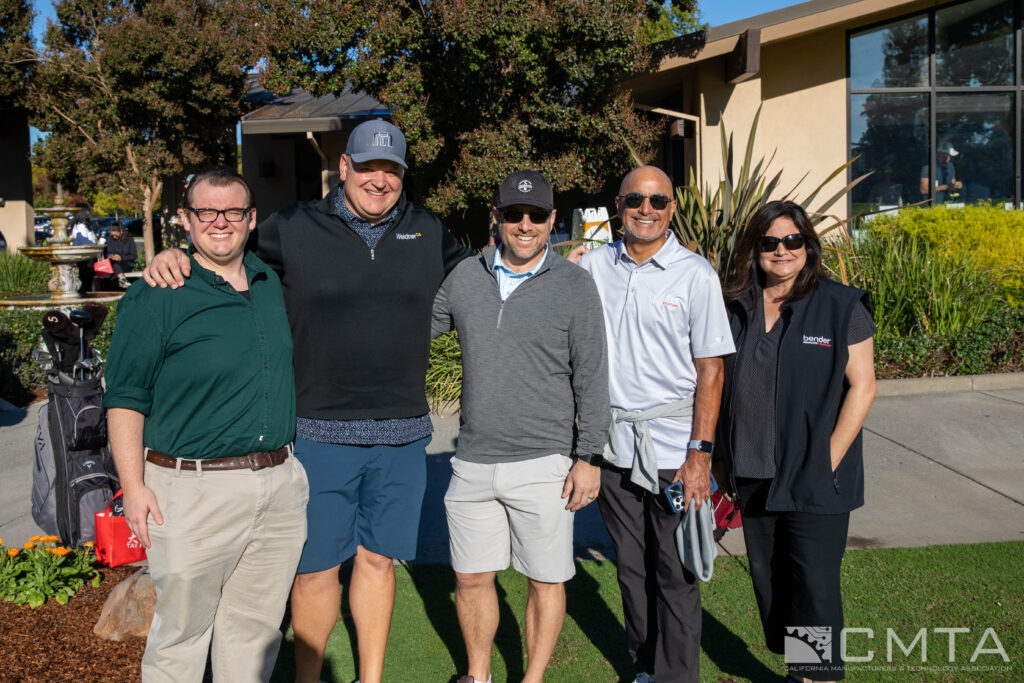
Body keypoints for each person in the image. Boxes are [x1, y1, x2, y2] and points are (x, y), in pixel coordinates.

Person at [141, 118, 474, 683]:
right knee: (315, 569)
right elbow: (226, 255)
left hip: (402, 435)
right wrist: (172, 257)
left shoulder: (427, 230)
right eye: (367, 167)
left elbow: (481, 280)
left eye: (390, 170)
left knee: (377, 562)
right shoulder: (293, 227)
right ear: (344, 168)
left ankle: (370, 678)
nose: (379, 180)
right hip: (317, 434)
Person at [104, 168, 309, 682]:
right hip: (191, 490)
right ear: (185, 220)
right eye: (207, 212)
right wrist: (132, 487)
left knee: (256, 634)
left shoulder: (269, 282)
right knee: (180, 637)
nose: (221, 222)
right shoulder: (158, 294)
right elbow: (126, 397)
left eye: (233, 211)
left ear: (251, 218)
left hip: (278, 485)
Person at [431, 170, 609, 683]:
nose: (525, 225)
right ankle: (479, 675)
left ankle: (531, 680)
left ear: (553, 220)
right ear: (498, 217)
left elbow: (593, 376)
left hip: (546, 462)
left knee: (545, 581)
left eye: (536, 216)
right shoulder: (466, 276)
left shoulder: (575, 285)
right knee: (469, 580)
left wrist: (588, 456)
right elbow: (416, 327)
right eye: (514, 214)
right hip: (472, 462)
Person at [573, 166, 734, 683]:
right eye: (635, 200)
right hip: (614, 450)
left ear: (672, 209)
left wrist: (700, 456)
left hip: (673, 453)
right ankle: (645, 667)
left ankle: (677, 676)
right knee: (631, 568)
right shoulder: (592, 267)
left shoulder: (695, 274)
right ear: (618, 205)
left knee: (676, 571)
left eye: (658, 201)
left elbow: (711, 369)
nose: (646, 209)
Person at [718, 200, 877, 683]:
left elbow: (864, 386)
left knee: (813, 582)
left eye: (792, 240)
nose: (782, 251)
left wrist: (826, 460)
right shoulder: (736, 307)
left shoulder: (839, 305)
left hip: (816, 476)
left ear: (808, 245)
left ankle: (815, 675)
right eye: (770, 242)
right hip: (753, 470)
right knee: (772, 581)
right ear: (755, 249)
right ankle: (801, 666)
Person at [919, 139, 962, 204]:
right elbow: (924, 190)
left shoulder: (950, 166)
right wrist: (945, 187)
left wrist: (957, 185)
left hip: (948, 203)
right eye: (948, 155)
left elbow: (952, 183)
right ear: (940, 154)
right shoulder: (928, 167)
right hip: (932, 205)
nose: (950, 158)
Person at [102, 222, 138, 288]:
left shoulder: (129, 240)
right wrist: (111, 256)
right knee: (114, 263)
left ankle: (121, 280)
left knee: (115, 265)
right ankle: (122, 279)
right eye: (112, 235)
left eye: (116, 235)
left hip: (126, 263)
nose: (114, 237)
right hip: (113, 263)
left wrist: (121, 258)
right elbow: (106, 252)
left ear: (121, 231)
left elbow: (134, 256)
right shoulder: (109, 239)